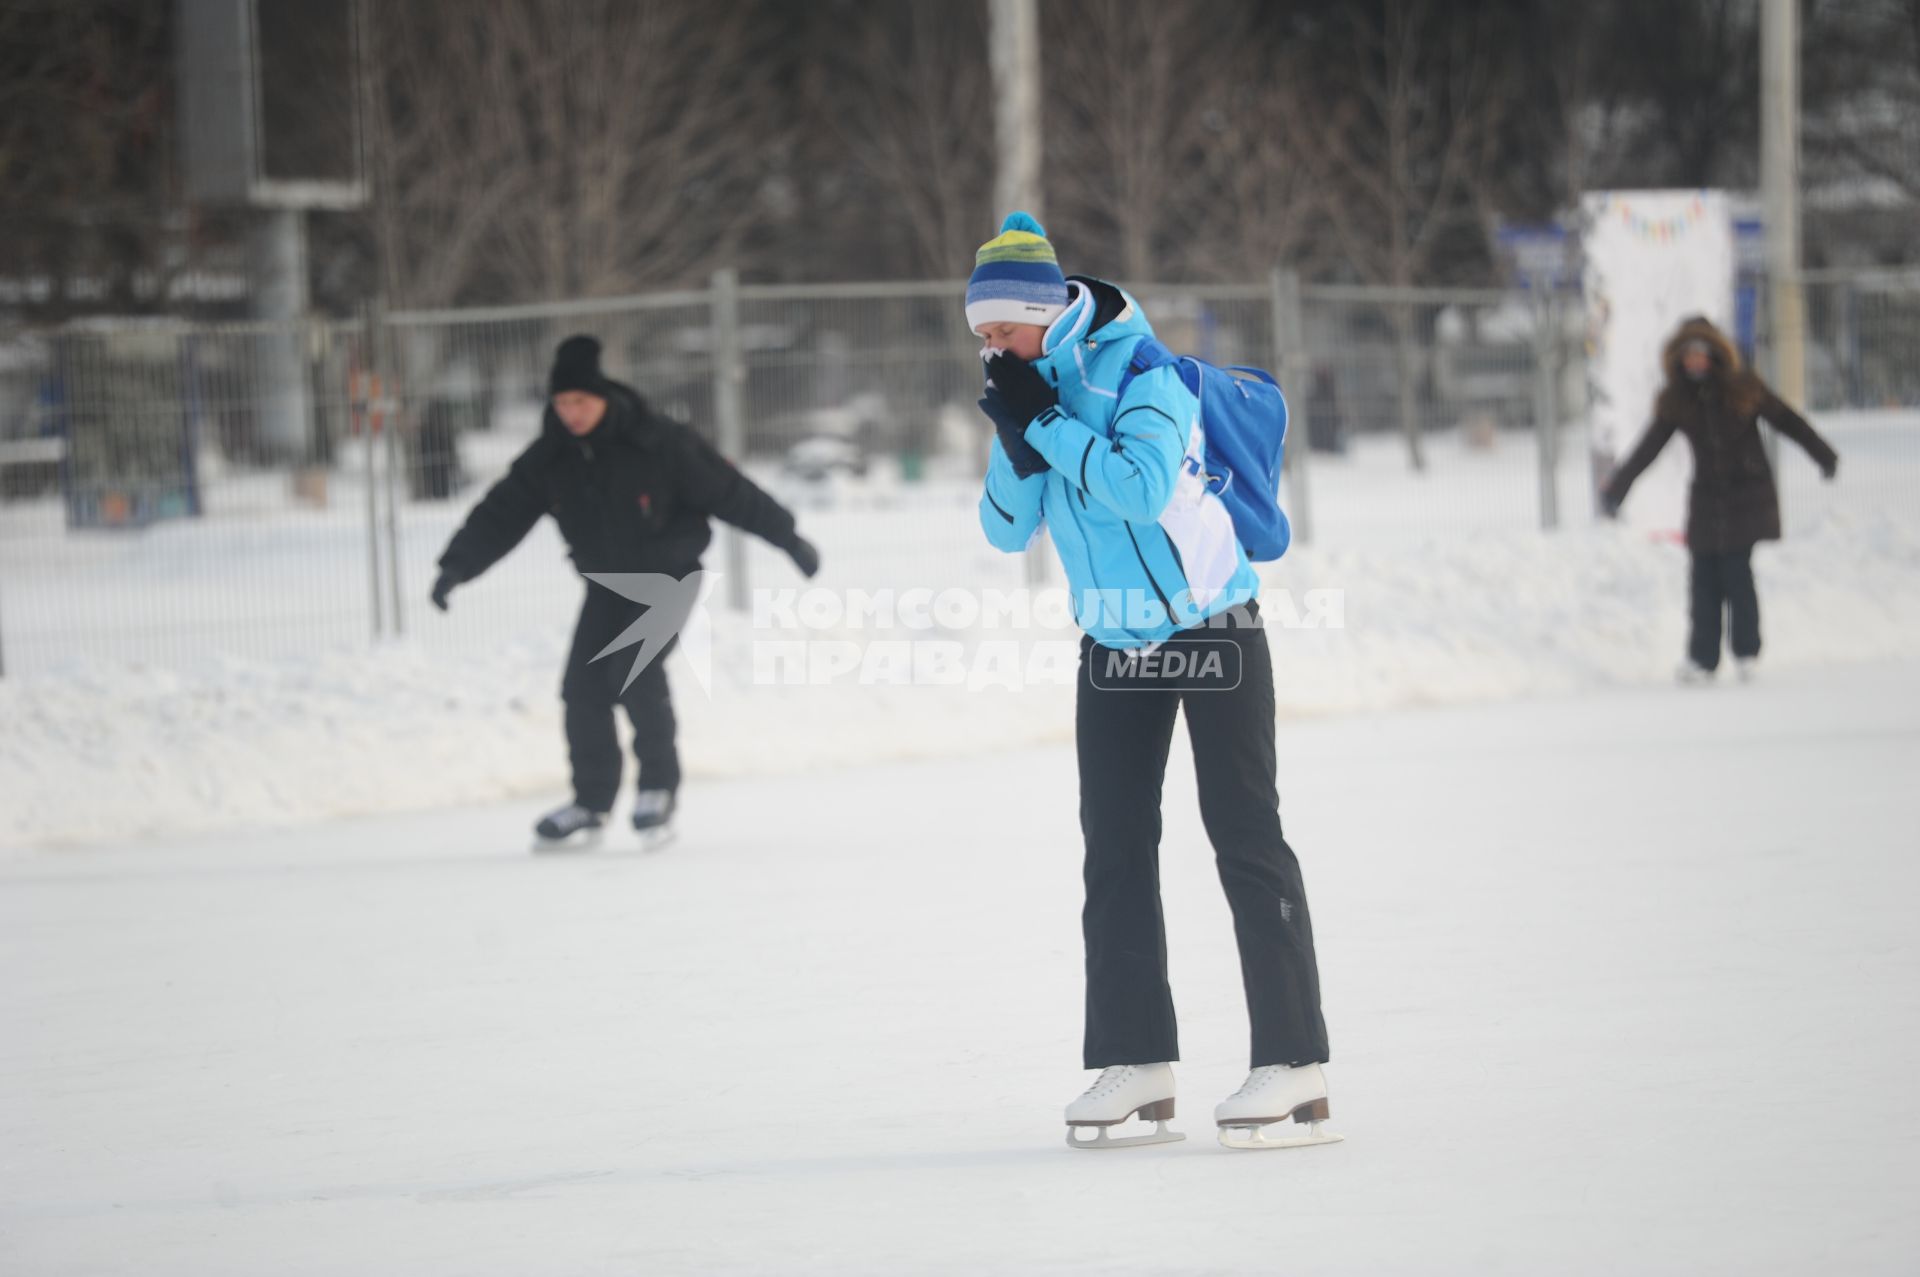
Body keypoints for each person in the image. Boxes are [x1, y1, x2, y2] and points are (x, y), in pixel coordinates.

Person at [969, 212, 1333, 1150]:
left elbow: (1135, 485)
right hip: (1113, 643)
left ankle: (1294, 1063)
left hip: (1213, 623)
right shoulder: (1024, 391)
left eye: (998, 328)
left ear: (1041, 314)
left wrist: (1044, 424)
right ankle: (1139, 1061)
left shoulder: (1143, 374)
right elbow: (1007, 533)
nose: (989, 345)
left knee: (1245, 835)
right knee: (1115, 845)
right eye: (980, 334)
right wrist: (1017, 447)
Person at [431, 335, 819, 847]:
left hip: (672, 579)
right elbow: (501, 513)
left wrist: (787, 538)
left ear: (603, 397)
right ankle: (590, 804)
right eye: (561, 403)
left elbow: (731, 493)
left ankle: (657, 791)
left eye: (580, 402)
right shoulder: (551, 456)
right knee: (583, 689)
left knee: (634, 673)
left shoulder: (658, 442)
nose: (570, 413)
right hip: (609, 586)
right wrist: (457, 566)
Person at [1602, 316, 1838, 683]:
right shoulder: (1678, 400)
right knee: (1702, 579)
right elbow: (1648, 448)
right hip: (1707, 498)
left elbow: (1787, 421)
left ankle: (1746, 653)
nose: (1694, 361)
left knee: (1736, 574)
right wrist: (1617, 488)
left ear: (1715, 355)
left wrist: (1823, 455)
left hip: (1746, 493)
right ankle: (1702, 660)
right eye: (1688, 356)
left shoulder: (1743, 388)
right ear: (1679, 360)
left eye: (1701, 354)